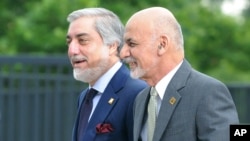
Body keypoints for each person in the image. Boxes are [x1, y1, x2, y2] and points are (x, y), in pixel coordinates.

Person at [120, 7, 239, 141]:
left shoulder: (208, 92)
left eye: (132, 44)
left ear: (162, 45)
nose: (123, 53)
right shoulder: (141, 99)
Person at [66, 8, 147, 141]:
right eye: (69, 42)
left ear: (112, 46)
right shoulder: (85, 97)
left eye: (83, 40)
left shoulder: (138, 93)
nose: (72, 50)